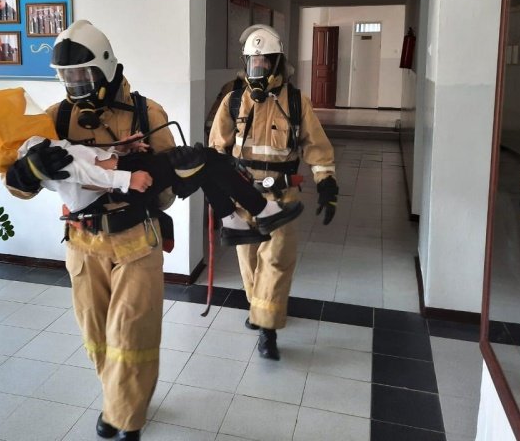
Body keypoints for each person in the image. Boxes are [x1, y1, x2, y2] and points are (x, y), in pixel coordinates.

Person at [3, 20, 174, 440]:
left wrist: (136, 171)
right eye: (67, 77)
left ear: (106, 67)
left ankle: (126, 417)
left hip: (137, 240)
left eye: (83, 75)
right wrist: (25, 173)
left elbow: (167, 194)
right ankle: (121, 398)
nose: (75, 85)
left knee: (130, 333)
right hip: (82, 243)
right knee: (96, 337)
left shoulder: (147, 113)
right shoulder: (54, 118)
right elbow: (19, 186)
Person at [209, 24, 339, 361]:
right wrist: (217, 192)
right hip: (242, 198)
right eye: (253, 63)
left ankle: (268, 329)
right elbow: (216, 150)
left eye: (265, 62)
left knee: (276, 260)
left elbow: (317, 147)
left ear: (277, 63)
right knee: (249, 260)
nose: (259, 68)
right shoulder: (233, 101)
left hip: (281, 199)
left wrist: (326, 182)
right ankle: (259, 308)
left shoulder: (296, 103)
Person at [17, 136, 302, 243]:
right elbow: (85, 174)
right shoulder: (46, 157)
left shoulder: (42, 147)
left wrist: (121, 148)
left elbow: (90, 159)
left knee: (203, 162)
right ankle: (257, 211)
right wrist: (127, 180)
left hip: (120, 173)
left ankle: (233, 221)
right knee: (204, 160)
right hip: (112, 190)